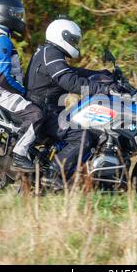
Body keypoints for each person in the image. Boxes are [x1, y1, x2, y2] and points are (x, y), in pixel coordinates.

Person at [24, 18, 123, 189]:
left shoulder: (50, 52)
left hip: (48, 108)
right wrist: (103, 90)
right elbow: (70, 81)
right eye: (73, 40)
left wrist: (102, 75)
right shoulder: (51, 52)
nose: (75, 44)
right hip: (44, 110)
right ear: (62, 36)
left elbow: (74, 72)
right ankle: (53, 175)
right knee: (83, 137)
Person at [0, 0, 44, 173]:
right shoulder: (2, 41)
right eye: (16, 15)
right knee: (36, 115)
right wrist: (23, 91)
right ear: (4, 16)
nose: (19, 18)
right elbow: (3, 78)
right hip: (2, 95)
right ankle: (19, 154)